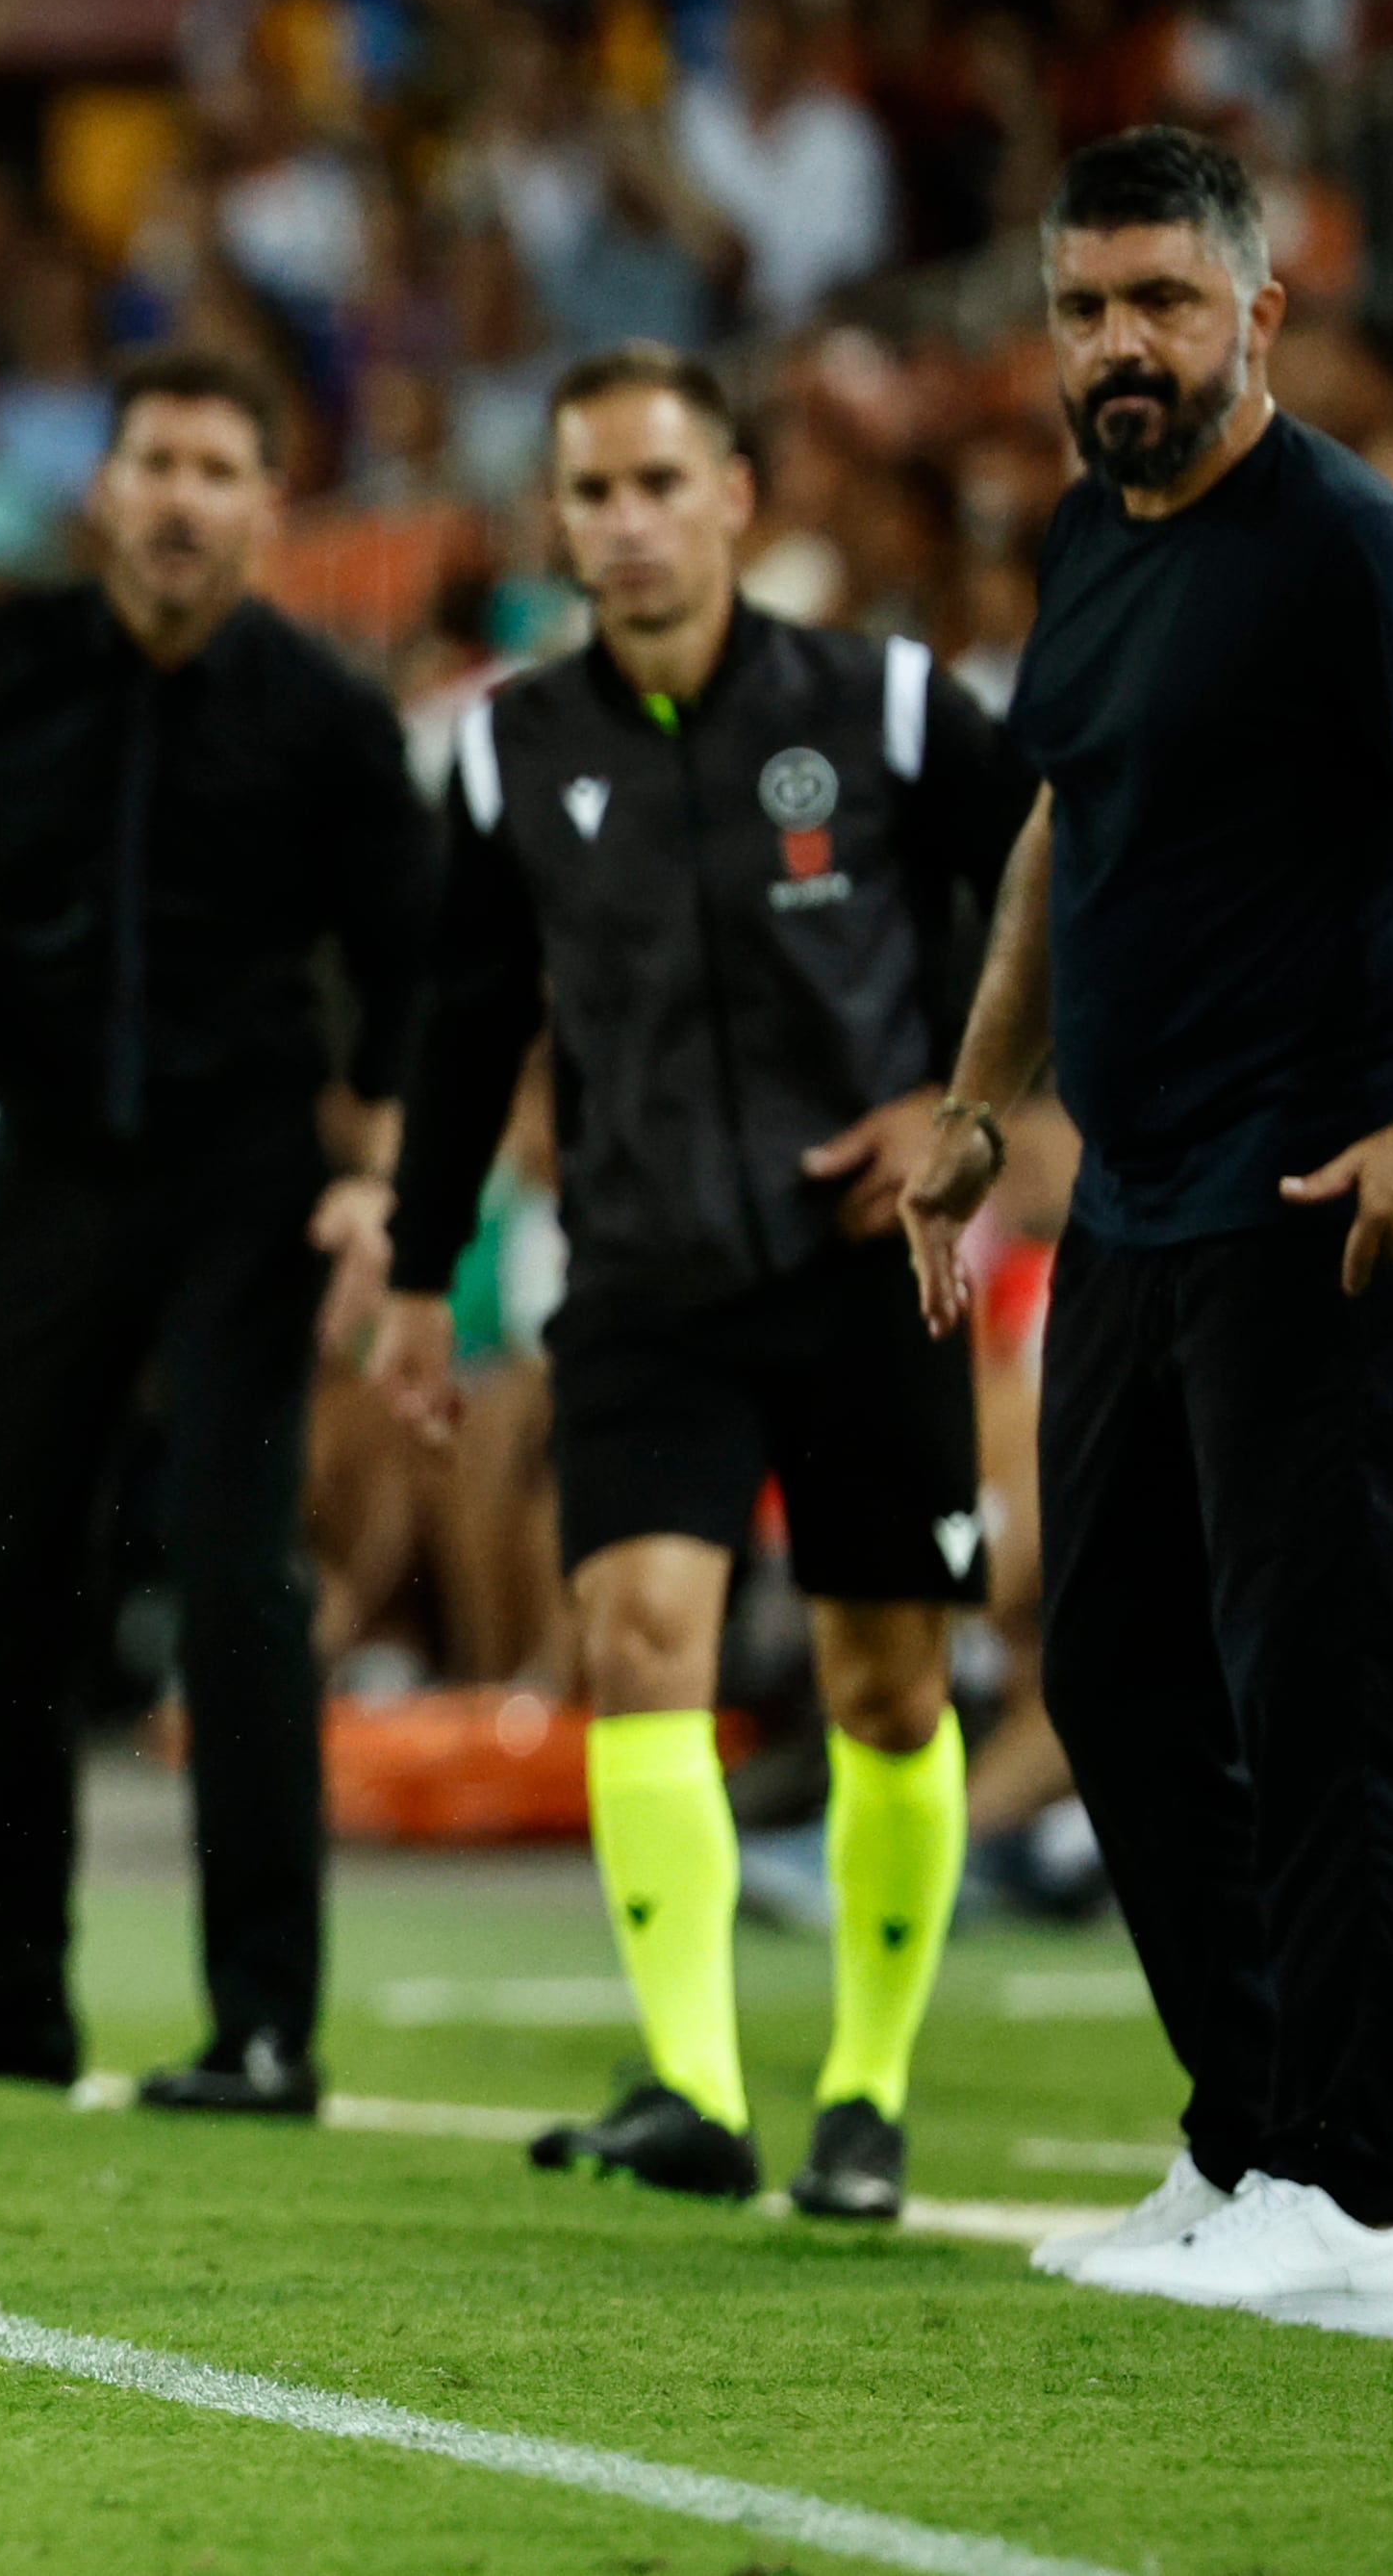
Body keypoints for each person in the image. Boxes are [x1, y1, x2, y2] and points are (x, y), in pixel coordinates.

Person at [903, 126, 1393, 2345]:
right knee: (1096, 1663)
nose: (1116, 344)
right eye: (1082, 305)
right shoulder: (1089, 542)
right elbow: (1049, 833)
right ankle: (1246, 2128)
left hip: (1322, 1204)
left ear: (1253, 315)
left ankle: (1353, 2208)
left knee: (1315, 1688)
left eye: (1161, 303)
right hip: (1138, 1200)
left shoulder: (1346, 540)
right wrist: (981, 1095)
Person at [371, 341, 1034, 2218]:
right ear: (558, 520)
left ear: (739, 494)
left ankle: (865, 2086)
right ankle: (689, 2077)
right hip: (645, 1276)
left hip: (861, 1272)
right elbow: (463, 1015)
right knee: (638, 1640)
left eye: (662, 483)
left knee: (885, 1690)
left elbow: (1052, 895)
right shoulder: (510, 743)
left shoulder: (893, 708)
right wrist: (420, 1271)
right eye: (593, 492)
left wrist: (961, 1099)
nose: (629, 522)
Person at [0, 350, 428, 2112]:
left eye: (217, 466)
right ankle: (7, 1995)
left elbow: (409, 970)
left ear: (267, 504)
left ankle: (263, 2025)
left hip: (245, 1187)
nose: (178, 496)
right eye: (154, 460)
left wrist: (382, 1180)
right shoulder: (3, 671)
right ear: (104, 489)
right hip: (51, 1179)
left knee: (239, 1583)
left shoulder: (327, 714)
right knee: (7, 1569)